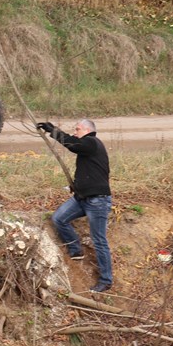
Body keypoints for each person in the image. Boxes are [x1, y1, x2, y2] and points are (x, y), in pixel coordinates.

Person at [36, 118, 114, 293]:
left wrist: (53, 130)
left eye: (77, 129)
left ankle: (106, 280)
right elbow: (90, 172)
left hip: (98, 201)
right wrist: (77, 186)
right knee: (59, 218)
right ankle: (75, 249)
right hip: (83, 198)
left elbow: (72, 144)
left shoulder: (92, 142)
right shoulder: (87, 148)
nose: (74, 132)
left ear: (87, 130)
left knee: (99, 241)